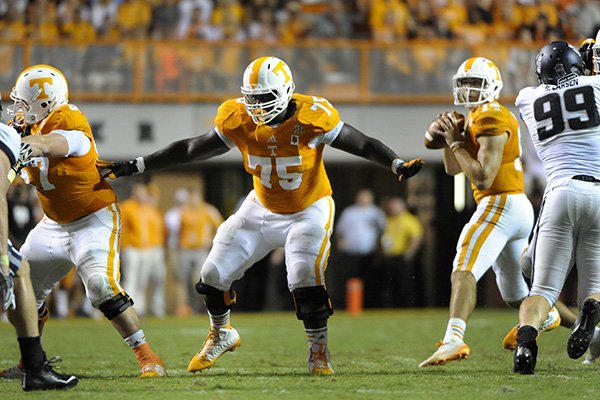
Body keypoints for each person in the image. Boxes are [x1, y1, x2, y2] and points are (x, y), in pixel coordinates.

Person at [97, 55, 424, 375]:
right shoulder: (237, 117)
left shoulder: (313, 116)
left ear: (286, 91)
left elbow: (362, 143)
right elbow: (193, 148)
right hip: (261, 206)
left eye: (265, 97)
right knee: (211, 274)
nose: (257, 106)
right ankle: (221, 333)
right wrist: (138, 164)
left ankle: (318, 350)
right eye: (251, 98)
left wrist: (395, 163)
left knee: (303, 276)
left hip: (308, 208)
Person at [4, 64, 166, 378]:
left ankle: (148, 356)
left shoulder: (67, 119)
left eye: (24, 104)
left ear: (45, 104)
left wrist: (32, 146)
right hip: (53, 224)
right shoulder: (24, 130)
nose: (18, 110)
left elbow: (63, 143)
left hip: (93, 218)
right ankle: (31, 363)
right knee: (19, 293)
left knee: (101, 286)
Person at [419, 56, 560, 368]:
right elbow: (454, 169)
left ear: (493, 87)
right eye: (465, 84)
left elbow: (482, 176)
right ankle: (581, 328)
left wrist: (456, 143)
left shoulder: (491, 115)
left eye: (476, 84)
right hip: (511, 206)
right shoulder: (474, 116)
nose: (469, 90)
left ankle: (454, 338)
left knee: (464, 265)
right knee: (517, 295)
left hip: (501, 201)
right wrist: (448, 140)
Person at [512, 41, 600, 374]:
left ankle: (525, 347)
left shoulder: (526, 98)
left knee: (542, 289)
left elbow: (562, 92)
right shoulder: (596, 85)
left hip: (561, 190)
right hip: (598, 192)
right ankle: (591, 313)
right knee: (594, 287)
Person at [0, 99, 78, 390]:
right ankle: (34, 369)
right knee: (16, 270)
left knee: (20, 271)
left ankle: (33, 367)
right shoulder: (5, 136)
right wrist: (2, 255)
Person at [334, 189, 386, 308]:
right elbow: (340, 231)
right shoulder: (349, 212)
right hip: (351, 252)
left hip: (369, 252)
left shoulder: (376, 213)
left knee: (370, 281)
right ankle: (351, 305)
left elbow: (383, 232)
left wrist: (380, 251)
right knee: (351, 279)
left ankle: (369, 306)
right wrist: (341, 244)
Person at [177, 187, 223, 313]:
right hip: (186, 250)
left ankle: (201, 306)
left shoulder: (208, 210)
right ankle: (189, 307)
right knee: (184, 280)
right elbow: (179, 232)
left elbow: (221, 228)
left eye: (194, 196)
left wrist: (212, 242)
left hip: (200, 249)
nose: (192, 200)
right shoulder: (184, 211)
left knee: (197, 278)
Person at [379, 196, 423, 308]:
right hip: (391, 257)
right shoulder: (389, 220)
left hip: (402, 257)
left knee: (405, 285)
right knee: (391, 285)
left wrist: (409, 253)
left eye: (394, 206)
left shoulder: (409, 220)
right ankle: (393, 307)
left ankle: (407, 307)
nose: (392, 208)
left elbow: (416, 237)